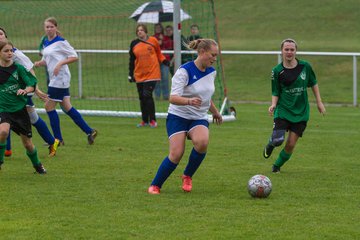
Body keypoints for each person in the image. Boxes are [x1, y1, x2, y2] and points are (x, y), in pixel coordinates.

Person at [148, 39, 223, 194]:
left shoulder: (211, 71)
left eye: (216, 55)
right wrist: (189, 101)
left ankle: (187, 175)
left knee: (202, 142)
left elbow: (206, 96)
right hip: (178, 116)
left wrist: (215, 111)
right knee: (176, 154)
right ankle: (155, 185)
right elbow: (173, 97)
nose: (214, 59)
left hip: (198, 117)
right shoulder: (184, 71)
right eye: (212, 55)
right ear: (202, 52)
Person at [262, 38, 326, 173]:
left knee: (290, 144)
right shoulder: (277, 71)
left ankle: (276, 166)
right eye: (286, 49)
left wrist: (319, 102)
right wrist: (273, 104)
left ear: (296, 51)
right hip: (283, 110)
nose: (289, 52)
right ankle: (271, 143)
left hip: (301, 112)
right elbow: (275, 91)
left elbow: (313, 83)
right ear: (281, 51)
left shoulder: (305, 67)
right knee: (278, 140)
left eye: (292, 49)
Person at [34, 17, 97, 145]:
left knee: (48, 106)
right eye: (47, 27)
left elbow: (74, 57)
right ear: (44, 28)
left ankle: (58, 139)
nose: (49, 29)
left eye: (52, 26)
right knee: (67, 107)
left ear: (56, 27)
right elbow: (49, 59)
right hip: (55, 77)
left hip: (60, 78)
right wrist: (41, 63)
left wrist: (60, 64)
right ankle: (90, 131)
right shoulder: (46, 42)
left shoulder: (61, 42)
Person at [0, 27, 60, 157]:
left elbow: (30, 69)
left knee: (31, 118)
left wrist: (36, 89)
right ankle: (7, 150)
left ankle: (52, 141)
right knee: (5, 118)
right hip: (6, 94)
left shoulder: (15, 53)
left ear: (6, 37)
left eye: (0, 34)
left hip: (19, 93)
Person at [0, 40, 47, 174]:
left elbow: (31, 83)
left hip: (20, 110)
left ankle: (37, 165)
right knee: (3, 132)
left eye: (11, 50)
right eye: (6, 51)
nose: (10, 53)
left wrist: (25, 90)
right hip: (3, 109)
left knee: (28, 144)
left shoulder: (18, 68)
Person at [128, 24, 169, 128]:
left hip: (152, 73)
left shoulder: (153, 40)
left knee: (147, 95)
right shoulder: (134, 43)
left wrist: (164, 61)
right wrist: (130, 74)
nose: (139, 32)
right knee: (142, 98)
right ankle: (144, 120)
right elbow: (132, 60)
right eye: (138, 30)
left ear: (145, 31)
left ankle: (153, 121)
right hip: (139, 74)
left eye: (141, 30)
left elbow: (159, 53)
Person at [153, 23, 170, 100]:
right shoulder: (152, 38)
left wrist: (162, 40)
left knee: (165, 78)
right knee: (156, 78)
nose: (158, 29)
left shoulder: (166, 37)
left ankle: (166, 95)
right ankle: (157, 95)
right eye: (156, 27)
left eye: (159, 27)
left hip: (164, 60)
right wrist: (157, 42)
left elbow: (169, 46)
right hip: (155, 61)